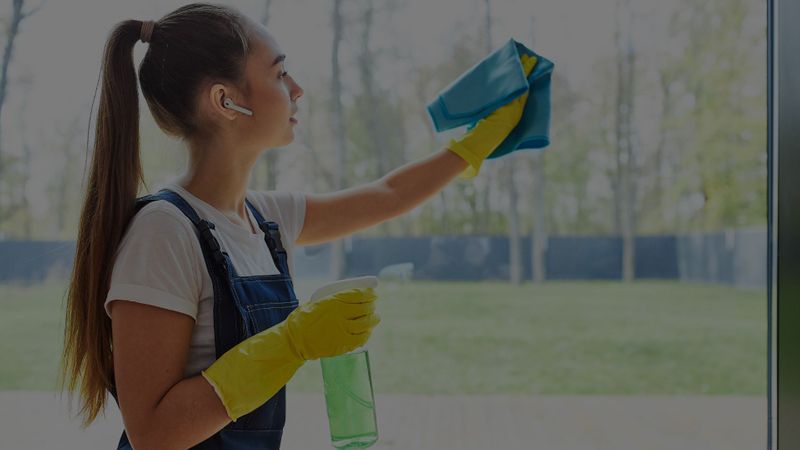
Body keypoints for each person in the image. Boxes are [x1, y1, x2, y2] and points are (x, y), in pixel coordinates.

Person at [58, 3, 535, 449]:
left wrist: (475, 145)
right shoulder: (164, 232)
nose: (297, 88)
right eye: (280, 73)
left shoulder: (264, 219)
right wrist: (291, 343)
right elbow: (154, 434)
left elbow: (387, 196)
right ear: (225, 101)